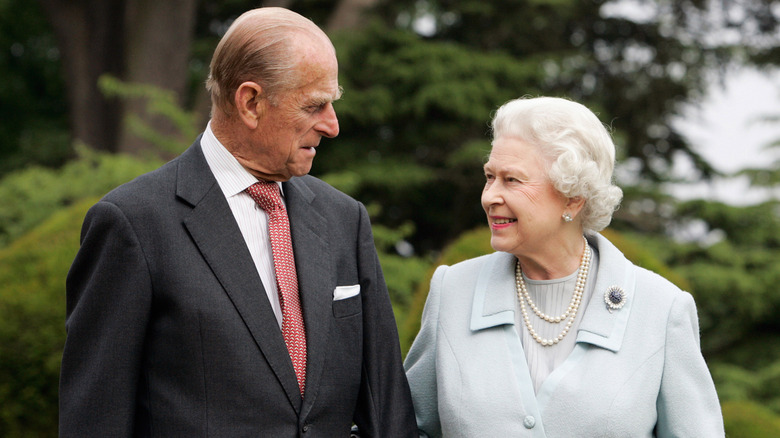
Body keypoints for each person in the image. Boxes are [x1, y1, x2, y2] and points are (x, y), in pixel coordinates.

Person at [59, 7, 416, 437]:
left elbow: (388, 411)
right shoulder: (133, 224)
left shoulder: (345, 220)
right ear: (250, 102)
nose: (332, 125)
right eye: (315, 105)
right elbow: (95, 421)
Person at [404, 96, 724, 437]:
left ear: (573, 197)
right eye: (489, 176)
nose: (489, 196)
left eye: (512, 180)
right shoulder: (453, 291)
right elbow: (407, 428)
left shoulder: (662, 310)